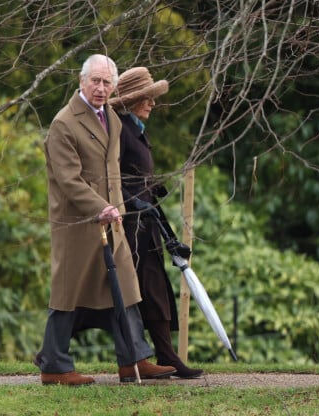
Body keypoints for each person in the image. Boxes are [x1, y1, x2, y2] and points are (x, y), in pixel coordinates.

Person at [33, 55, 176, 386]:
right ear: (81, 81)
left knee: (125, 287)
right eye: (95, 81)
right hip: (77, 226)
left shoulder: (110, 115)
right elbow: (69, 181)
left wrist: (117, 209)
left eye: (106, 82)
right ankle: (54, 366)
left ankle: (134, 361)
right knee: (67, 295)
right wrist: (101, 207)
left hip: (112, 221)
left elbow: (112, 173)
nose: (101, 88)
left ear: (113, 86)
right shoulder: (64, 123)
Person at [108, 67, 204, 378]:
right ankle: (53, 355)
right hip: (131, 226)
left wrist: (153, 189)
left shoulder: (135, 129)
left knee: (155, 287)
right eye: (147, 98)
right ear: (133, 100)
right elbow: (110, 178)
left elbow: (136, 175)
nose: (152, 103)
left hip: (147, 223)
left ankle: (165, 355)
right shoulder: (120, 131)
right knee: (142, 289)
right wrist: (132, 199)